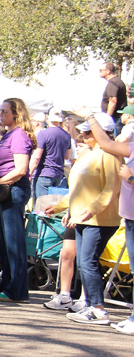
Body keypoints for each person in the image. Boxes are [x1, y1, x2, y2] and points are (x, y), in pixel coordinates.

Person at [71, 104, 134, 333]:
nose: (83, 136)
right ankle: (92, 305)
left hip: (101, 218)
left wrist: (93, 208)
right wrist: (65, 208)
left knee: (88, 261)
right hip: (98, 217)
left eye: (87, 132)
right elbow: (78, 188)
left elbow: (111, 188)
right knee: (84, 262)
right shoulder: (91, 154)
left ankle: (98, 308)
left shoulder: (109, 156)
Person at [0, 98, 35, 302]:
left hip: (13, 190)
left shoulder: (19, 135)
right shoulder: (7, 135)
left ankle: (17, 289)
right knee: (3, 240)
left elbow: (20, 169)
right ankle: (5, 282)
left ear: (16, 114)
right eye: (0, 111)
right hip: (2, 191)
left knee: (13, 240)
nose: (1, 114)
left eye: (4, 111)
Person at [29, 106, 73, 203]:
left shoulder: (43, 134)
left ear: (47, 117)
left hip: (44, 173)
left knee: (41, 206)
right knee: (52, 206)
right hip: (59, 174)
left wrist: (29, 173)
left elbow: (37, 157)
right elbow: (67, 156)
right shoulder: (67, 135)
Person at [100, 62, 128, 135]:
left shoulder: (113, 82)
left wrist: (107, 118)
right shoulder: (117, 81)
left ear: (108, 71)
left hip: (115, 119)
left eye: (101, 70)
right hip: (116, 118)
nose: (99, 72)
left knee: (114, 140)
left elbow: (113, 101)